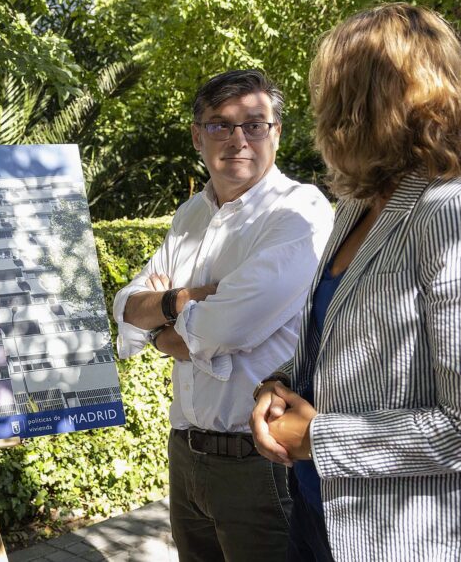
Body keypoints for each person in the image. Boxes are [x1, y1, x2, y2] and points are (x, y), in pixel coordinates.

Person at [250, 3, 461, 561]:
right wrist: (278, 385)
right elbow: (336, 340)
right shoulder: (357, 207)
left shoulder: (460, 211)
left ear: (360, 103)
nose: (321, 108)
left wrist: (317, 438)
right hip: (323, 518)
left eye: (331, 90)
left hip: (419, 539)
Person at [113, 69, 334, 562]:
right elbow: (125, 307)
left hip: (260, 464)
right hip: (185, 456)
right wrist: (188, 301)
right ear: (198, 136)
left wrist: (163, 327)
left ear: (276, 132)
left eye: (254, 124)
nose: (238, 139)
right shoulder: (190, 214)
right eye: (220, 125)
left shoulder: (300, 212)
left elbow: (226, 327)